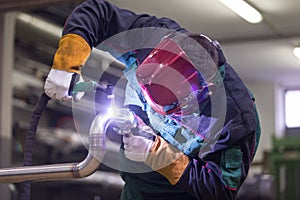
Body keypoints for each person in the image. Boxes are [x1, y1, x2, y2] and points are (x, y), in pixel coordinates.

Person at [44, 0, 261, 199]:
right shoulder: (149, 39)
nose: (154, 112)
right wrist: (67, 63)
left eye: (166, 107)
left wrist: (157, 154)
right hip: (134, 190)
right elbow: (95, 13)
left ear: (203, 91)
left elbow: (220, 191)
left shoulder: (235, 118)